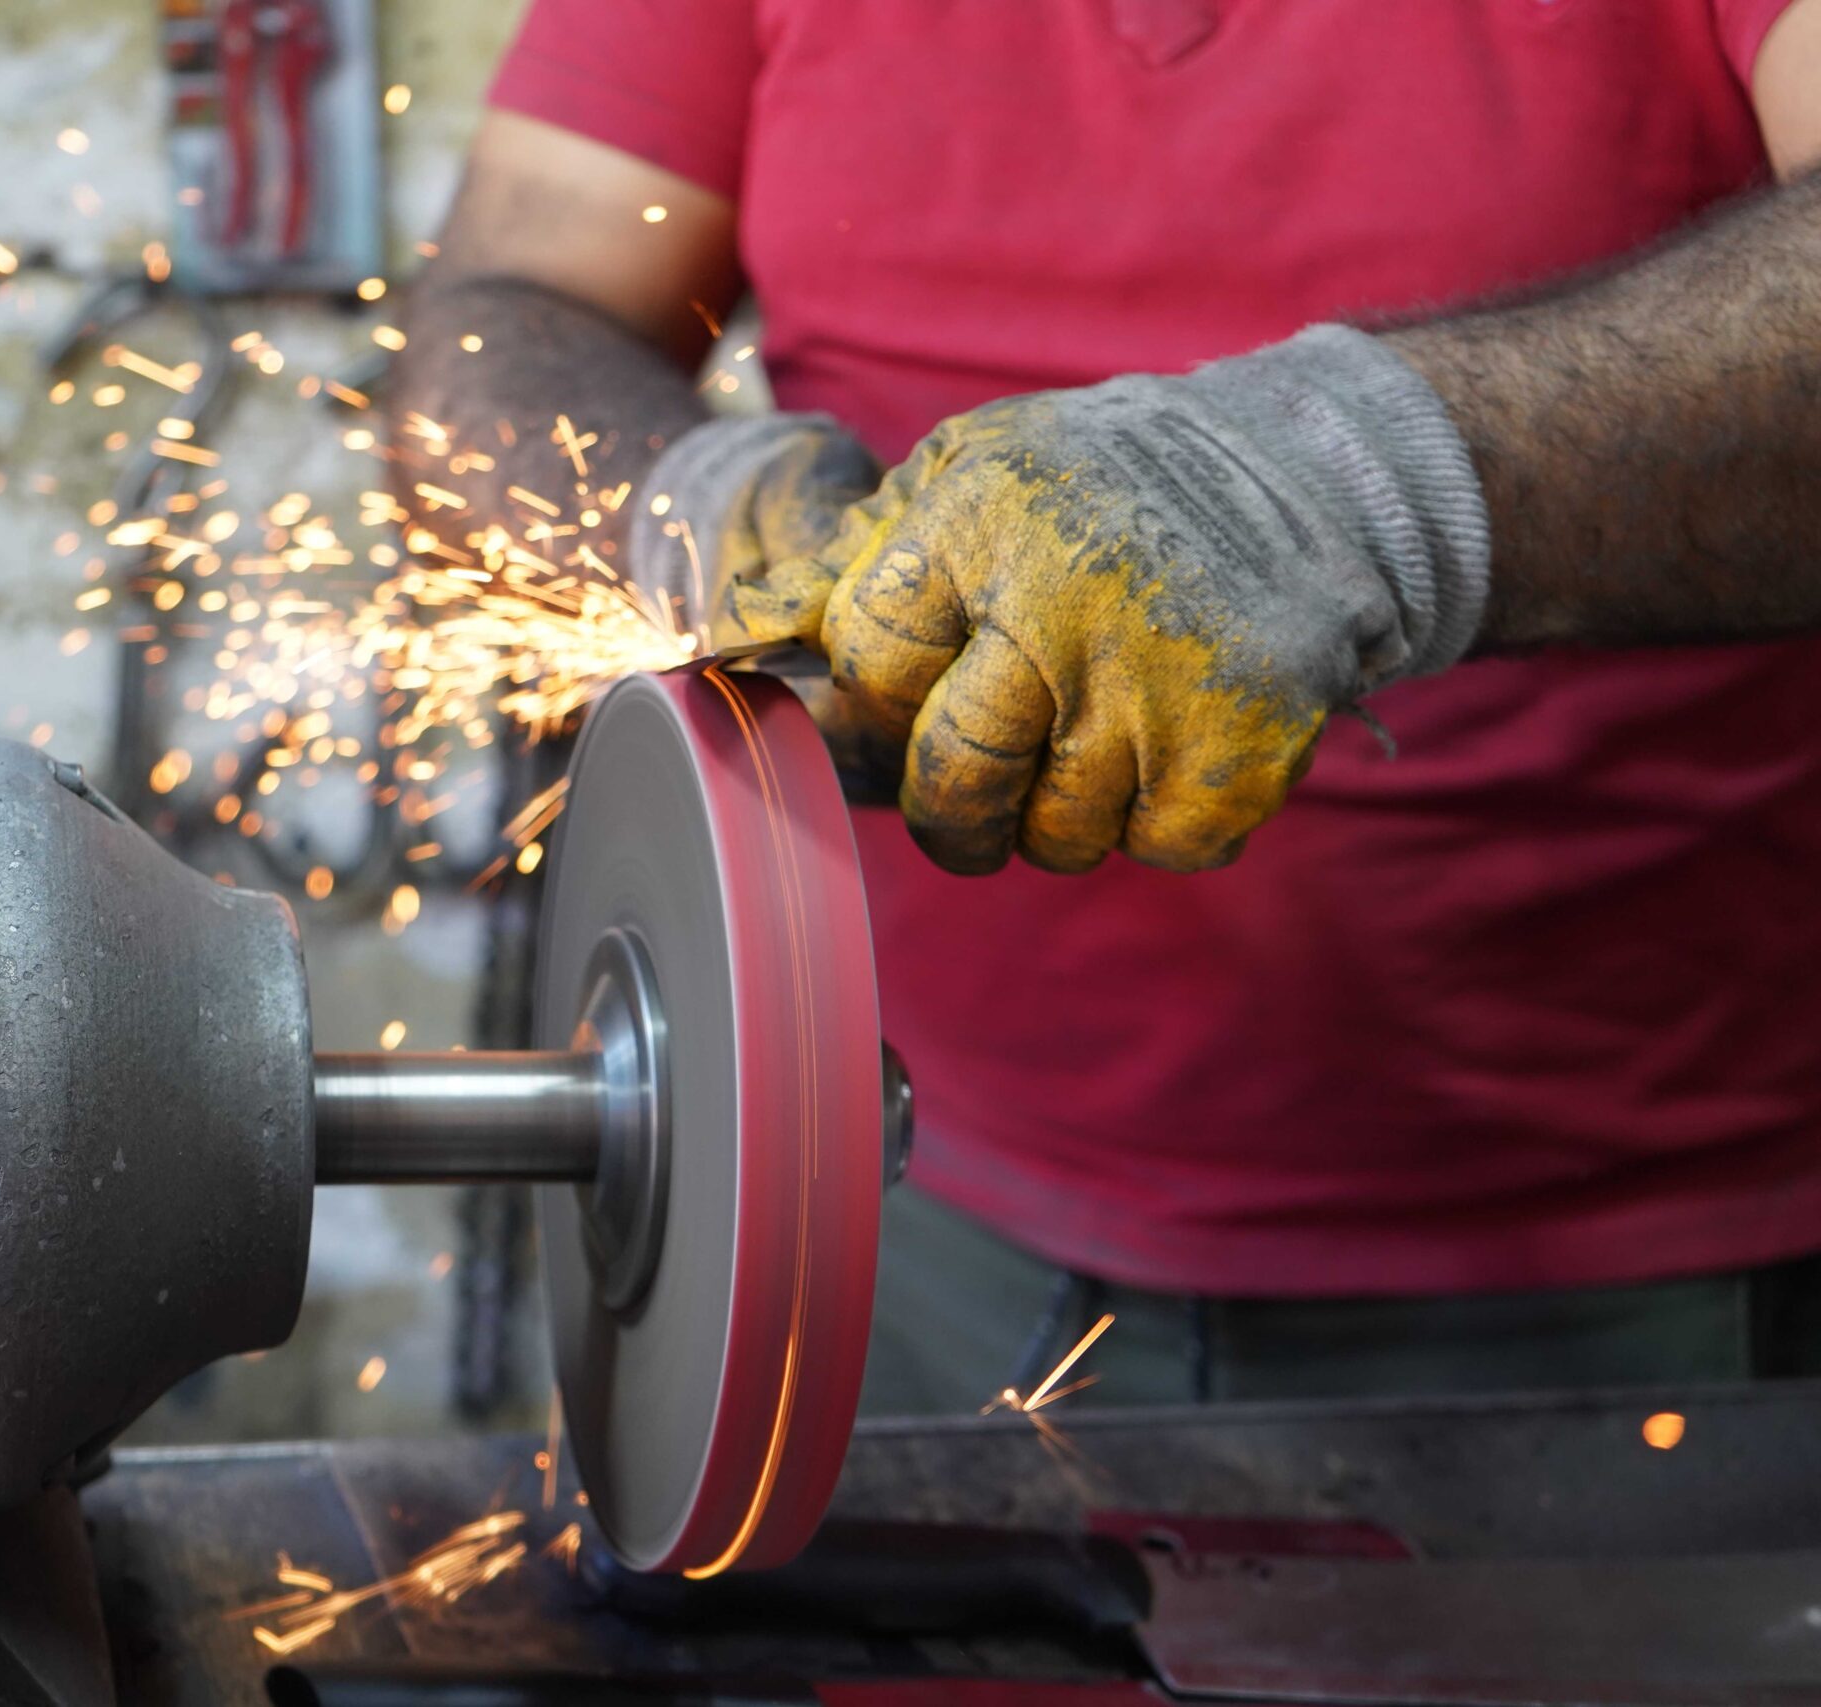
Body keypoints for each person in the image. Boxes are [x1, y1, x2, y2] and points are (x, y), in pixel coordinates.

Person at [388, 0, 1821, 1410]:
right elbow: (515, 299)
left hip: (1625, 1256)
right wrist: (700, 514)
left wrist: (1345, 484)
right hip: (880, 1178)